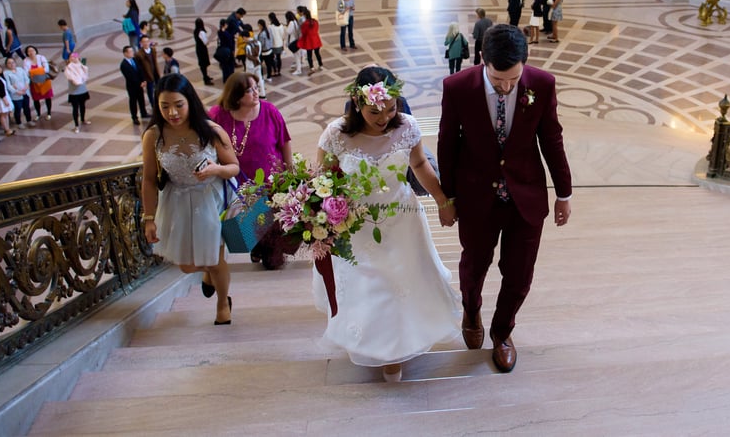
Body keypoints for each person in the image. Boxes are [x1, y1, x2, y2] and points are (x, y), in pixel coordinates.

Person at [437, 24, 573, 373]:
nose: (507, 87)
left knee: (520, 274)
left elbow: (552, 139)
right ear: (484, 62)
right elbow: (447, 144)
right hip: (475, 197)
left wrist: (563, 193)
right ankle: (471, 310)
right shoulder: (458, 87)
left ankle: (502, 332)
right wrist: (447, 198)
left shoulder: (541, 84)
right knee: (473, 267)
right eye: (499, 80)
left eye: (514, 79)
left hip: (525, 196)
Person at [313, 65, 460, 382]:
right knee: (372, 284)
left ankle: (394, 351)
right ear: (357, 103)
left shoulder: (406, 126)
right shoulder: (336, 134)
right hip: (357, 223)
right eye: (374, 111)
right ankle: (378, 345)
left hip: (401, 218)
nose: (384, 118)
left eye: (391, 108)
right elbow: (321, 180)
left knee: (400, 282)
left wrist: (441, 200)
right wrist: (323, 218)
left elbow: (419, 163)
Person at [141, 74, 240, 326]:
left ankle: (222, 303)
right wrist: (149, 218)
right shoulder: (153, 136)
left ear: (190, 102)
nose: (172, 112)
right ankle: (207, 274)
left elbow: (234, 167)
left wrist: (215, 169)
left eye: (178, 104)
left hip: (210, 198)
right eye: (165, 106)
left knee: (215, 259)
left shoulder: (211, 131)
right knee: (187, 265)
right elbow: (149, 179)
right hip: (177, 201)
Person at [208, 72, 293, 270]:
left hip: (270, 182)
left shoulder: (269, 111)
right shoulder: (218, 115)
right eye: (249, 90)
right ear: (236, 96)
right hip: (237, 184)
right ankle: (257, 245)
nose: (256, 93)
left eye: (256, 87)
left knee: (272, 252)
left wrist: (290, 172)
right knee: (247, 225)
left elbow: (285, 142)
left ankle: (268, 250)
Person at [120, 45, 150, 125]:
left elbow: (140, 70)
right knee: (133, 102)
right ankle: (134, 117)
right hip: (132, 86)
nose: (132, 53)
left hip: (140, 84)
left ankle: (144, 113)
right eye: (130, 52)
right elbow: (130, 77)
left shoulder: (134, 60)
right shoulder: (124, 65)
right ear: (125, 53)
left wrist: (143, 80)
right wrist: (139, 83)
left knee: (141, 99)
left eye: (132, 51)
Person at [2, 56, 34, 129]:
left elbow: (26, 79)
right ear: (7, 65)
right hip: (16, 95)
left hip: (25, 92)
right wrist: (17, 91)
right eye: (9, 63)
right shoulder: (6, 73)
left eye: (13, 62)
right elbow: (8, 85)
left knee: (27, 108)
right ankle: (19, 122)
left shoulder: (20, 69)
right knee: (18, 109)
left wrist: (26, 86)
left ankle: (29, 120)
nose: (11, 64)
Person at [25, 45, 54, 121]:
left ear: (35, 51)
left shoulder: (41, 57)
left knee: (48, 97)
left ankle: (49, 113)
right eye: (29, 51)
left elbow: (46, 69)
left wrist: (33, 72)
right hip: (34, 83)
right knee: (36, 99)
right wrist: (39, 70)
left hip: (44, 81)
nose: (31, 52)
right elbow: (27, 73)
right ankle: (38, 114)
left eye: (32, 50)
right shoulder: (26, 61)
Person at [64, 52, 90, 133]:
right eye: (72, 57)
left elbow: (85, 76)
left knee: (83, 106)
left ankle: (83, 119)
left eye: (75, 57)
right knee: (75, 108)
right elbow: (71, 77)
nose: (74, 58)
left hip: (82, 89)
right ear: (69, 59)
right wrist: (77, 80)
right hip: (74, 91)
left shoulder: (82, 66)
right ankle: (76, 125)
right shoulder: (68, 68)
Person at [297, 6, 323, 73]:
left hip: (309, 41)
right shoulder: (315, 21)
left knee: (309, 55)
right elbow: (317, 29)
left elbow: (303, 32)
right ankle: (321, 65)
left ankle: (312, 67)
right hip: (316, 39)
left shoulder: (305, 23)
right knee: (317, 53)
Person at [137, 35, 160, 109]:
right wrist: (143, 79)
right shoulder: (139, 54)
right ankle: (153, 105)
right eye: (144, 42)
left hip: (155, 73)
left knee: (158, 89)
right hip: (147, 75)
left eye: (147, 41)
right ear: (141, 43)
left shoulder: (153, 50)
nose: (146, 43)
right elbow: (139, 68)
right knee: (150, 91)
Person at [193, 18, 216, 86]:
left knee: (202, 63)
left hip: (198, 48)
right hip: (202, 49)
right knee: (203, 63)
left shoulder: (195, 31)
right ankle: (205, 78)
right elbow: (205, 42)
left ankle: (205, 76)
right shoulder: (201, 32)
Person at [267, 12, 286, 78]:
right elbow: (282, 35)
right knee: (278, 58)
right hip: (279, 44)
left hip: (273, 45)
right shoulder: (280, 26)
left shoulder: (270, 27)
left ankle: (275, 70)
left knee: (272, 58)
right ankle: (279, 71)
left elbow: (269, 36)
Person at [285, 10, 302, 75]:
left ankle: (298, 69)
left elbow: (288, 31)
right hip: (296, 40)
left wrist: (286, 27)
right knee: (297, 55)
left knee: (296, 56)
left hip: (293, 41)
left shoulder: (291, 23)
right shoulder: (295, 21)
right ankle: (298, 67)